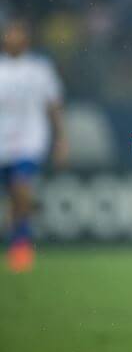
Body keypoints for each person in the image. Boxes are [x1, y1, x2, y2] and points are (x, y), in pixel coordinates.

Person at [0, 18, 67, 272]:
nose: (14, 37)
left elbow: (54, 107)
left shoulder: (39, 69)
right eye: (10, 33)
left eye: (18, 32)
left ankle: (21, 246)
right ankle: (27, 212)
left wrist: (61, 139)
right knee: (15, 199)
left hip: (30, 142)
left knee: (20, 187)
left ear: (26, 38)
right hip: (2, 144)